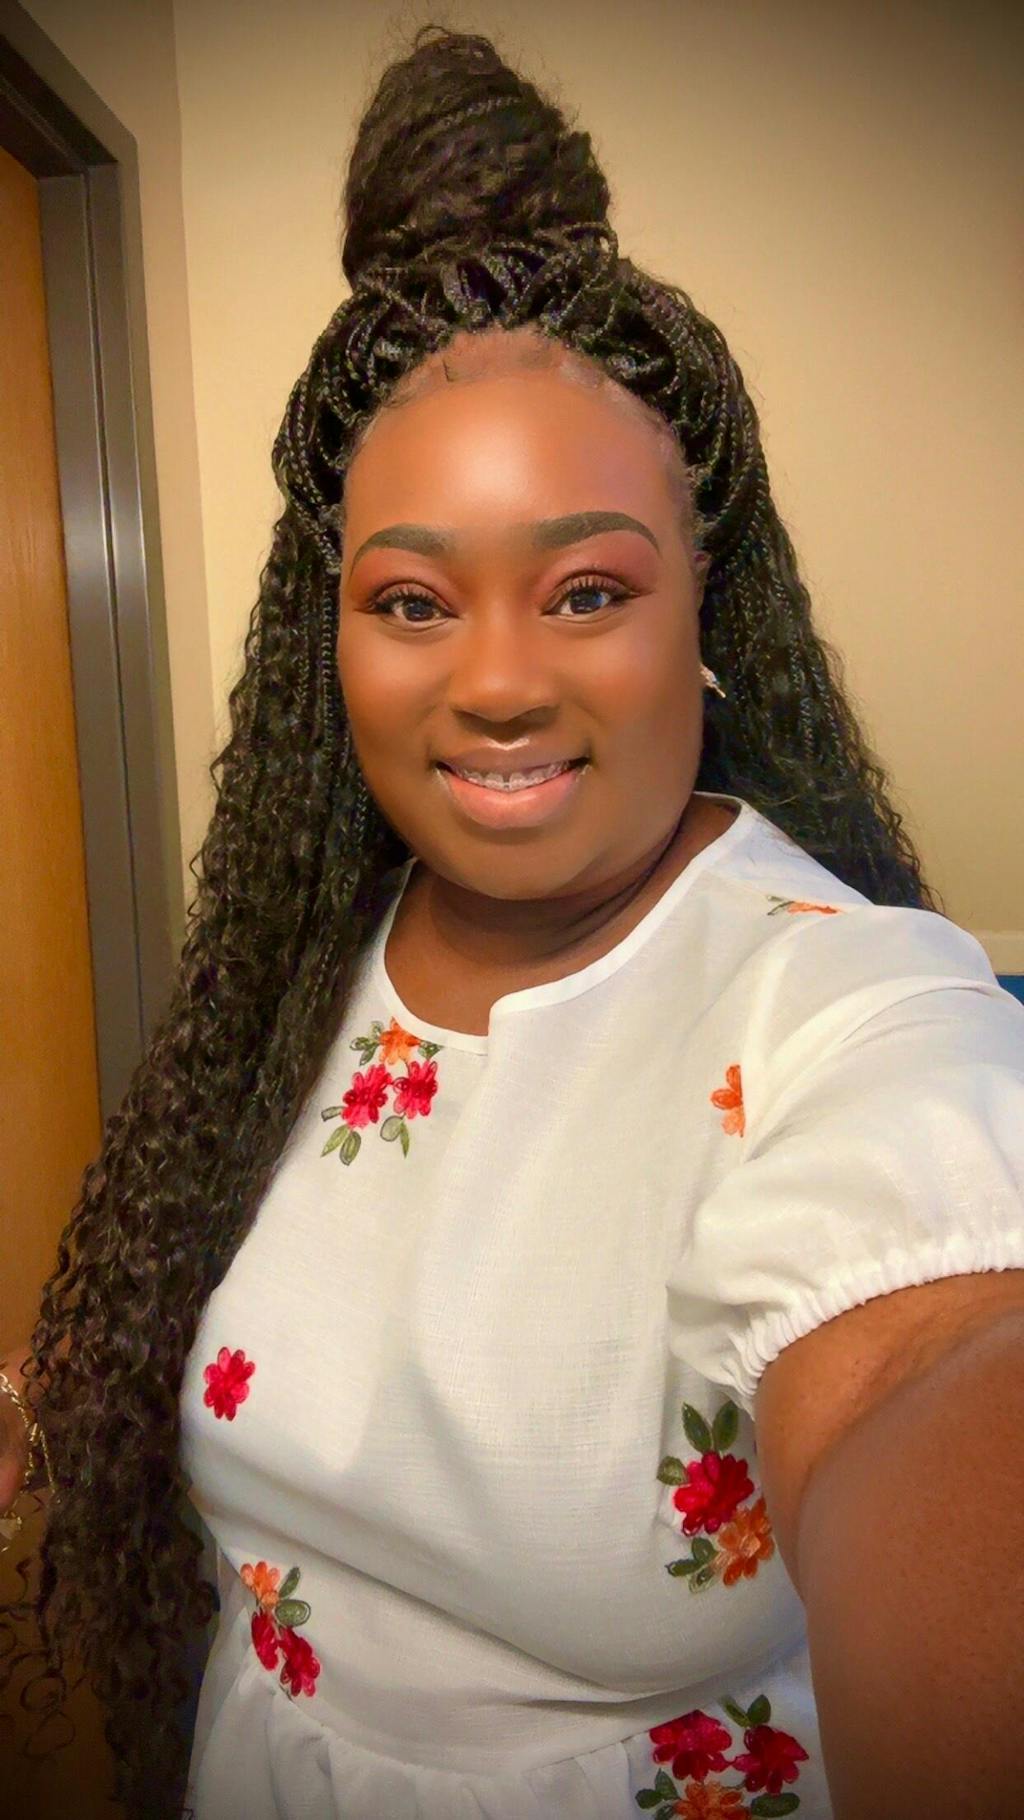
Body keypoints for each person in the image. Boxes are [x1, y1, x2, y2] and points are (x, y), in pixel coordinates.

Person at [2, 24, 1023, 1820]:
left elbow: (924, 1366)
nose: (494, 682)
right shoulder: (302, 970)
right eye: (412, 601)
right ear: (331, 641)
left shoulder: (840, 1006)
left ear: (708, 606)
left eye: (586, 590)